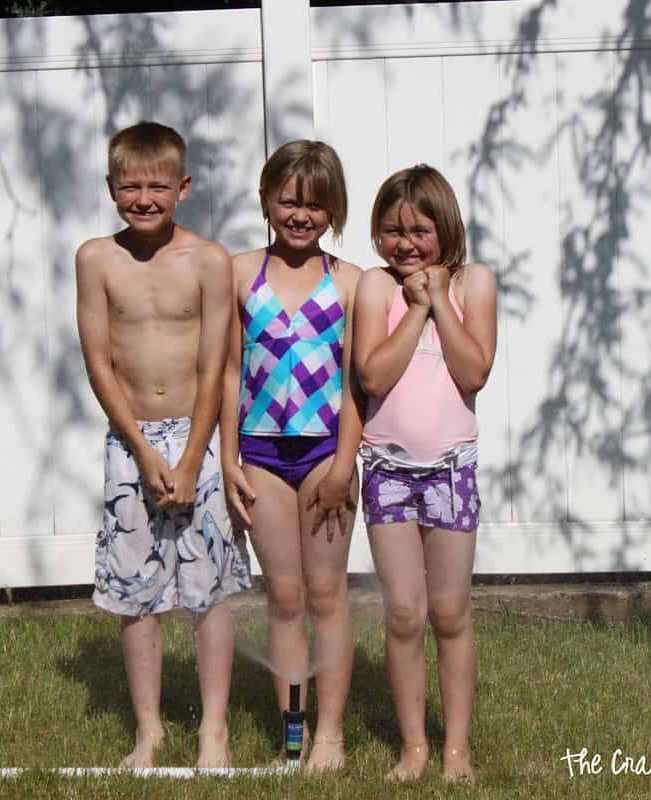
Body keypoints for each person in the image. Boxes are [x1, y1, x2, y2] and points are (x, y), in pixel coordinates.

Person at [76, 120, 250, 770]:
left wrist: (190, 453)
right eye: (130, 187)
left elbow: (216, 367)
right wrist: (145, 455)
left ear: (184, 187)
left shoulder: (210, 261)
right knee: (135, 588)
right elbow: (99, 362)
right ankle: (148, 730)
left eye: (157, 186)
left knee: (210, 587)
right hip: (131, 442)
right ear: (111, 188)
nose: (143, 199)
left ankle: (214, 730)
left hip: (197, 439)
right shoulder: (96, 258)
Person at [220, 140, 362, 772]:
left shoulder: (353, 282)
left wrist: (341, 465)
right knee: (283, 595)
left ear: (332, 210)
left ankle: (329, 735)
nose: (300, 214)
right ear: (265, 199)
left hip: (328, 457)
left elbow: (359, 385)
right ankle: (293, 734)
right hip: (260, 456)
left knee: (327, 593)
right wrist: (227, 457)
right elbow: (227, 370)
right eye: (288, 200)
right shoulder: (239, 271)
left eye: (314, 204)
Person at [352, 164, 497, 781]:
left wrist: (439, 299)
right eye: (390, 230)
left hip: (449, 472)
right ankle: (414, 747)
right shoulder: (376, 289)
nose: (404, 243)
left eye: (419, 229)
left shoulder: (475, 282)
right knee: (405, 614)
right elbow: (373, 377)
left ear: (447, 227)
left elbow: (474, 373)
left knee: (450, 612)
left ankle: (455, 748)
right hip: (387, 471)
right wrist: (413, 310)